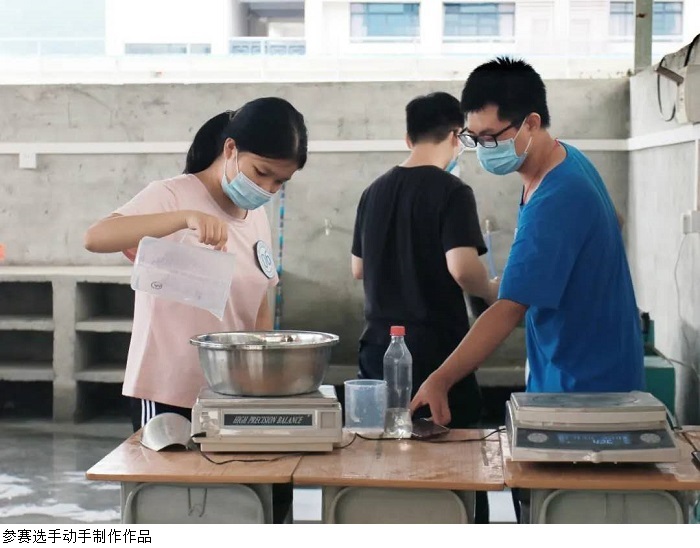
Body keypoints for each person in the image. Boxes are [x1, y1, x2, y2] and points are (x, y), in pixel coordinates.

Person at [408, 58, 644, 521]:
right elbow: (611, 222)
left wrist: (441, 379)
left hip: (586, 391)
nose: (484, 150)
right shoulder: (562, 161)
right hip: (569, 371)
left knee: (570, 512)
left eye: (492, 137)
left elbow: (508, 309)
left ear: (531, 124)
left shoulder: (557, 196)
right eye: (474, 138)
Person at [84, 97, 308, 432]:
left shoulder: (257, 217)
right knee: (169, 468)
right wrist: (184, 218)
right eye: (261, 173)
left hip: (232, 390)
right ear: (230, 149)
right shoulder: (172, 195)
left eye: (279, 182)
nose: (267, 189)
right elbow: (95, 237)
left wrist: (261, 378)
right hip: (168, 391)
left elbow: (261, 302)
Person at [351, 91, 498, 523]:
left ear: (407, 138)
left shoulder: (372, 192)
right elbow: (463, 268)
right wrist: (493, 291)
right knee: (457, 475)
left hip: (377, 352)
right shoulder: (453, 191)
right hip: (437, 355)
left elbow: (357, 268)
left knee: (383, 469)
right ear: (456, 136)